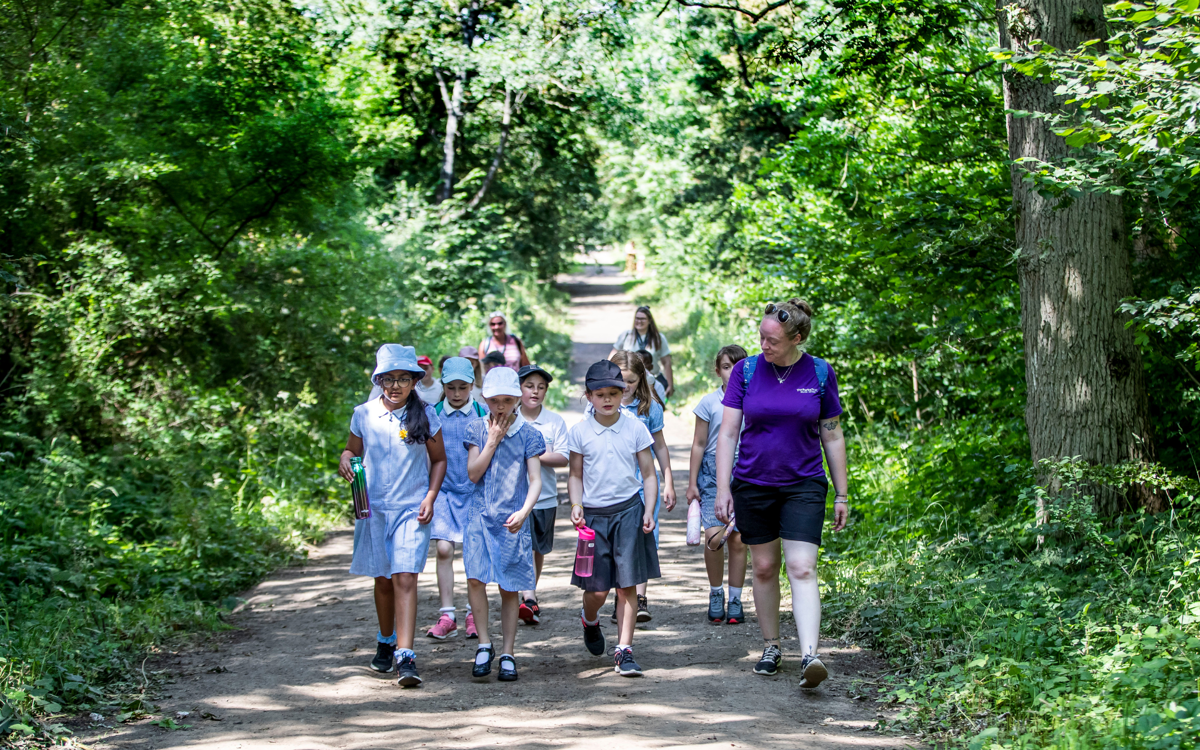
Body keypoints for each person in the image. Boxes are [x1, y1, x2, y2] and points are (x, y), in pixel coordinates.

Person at [715, 299, 849, 689]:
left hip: (804, 483)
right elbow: (727, 433)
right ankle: (772, 645)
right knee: (764, 568)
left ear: (798, 338)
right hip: (753, 483)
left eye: (772, 340)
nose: (763, 345)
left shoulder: (820, 373)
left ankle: (810, 655)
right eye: (760, 336)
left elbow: (832, 433)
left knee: (803, 567)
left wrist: (841, 494)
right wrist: (723, 488)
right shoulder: (746, 370)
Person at [338, 344, 447, 688]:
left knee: (405, 578)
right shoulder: (363, 414)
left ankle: (406, 655)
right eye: (388, 378)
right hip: (373, 510)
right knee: (383, 580)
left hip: (411, 510)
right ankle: (385, 640)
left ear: (415, 381)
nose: (395, 385)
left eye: (403, 378)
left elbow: (440, 460)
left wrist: (431, 496)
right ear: (379, 380)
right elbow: (352, 450)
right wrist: (344, 459)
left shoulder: (426, 414)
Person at [567, 360, 660, 677]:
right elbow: (575, 474)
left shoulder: (635, 427)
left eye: (613, 393)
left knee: (626, 585)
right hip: (593, 519)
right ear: (589, 396)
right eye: (600, 393)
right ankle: (589, 619)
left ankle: (624, 650)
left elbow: (648, 474)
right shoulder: (580, 431)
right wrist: (576, 503)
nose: (607, 399)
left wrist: (648, 509)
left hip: (629, 512)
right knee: (596, 591)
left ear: (623, 393)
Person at [462, 368, 546, 682]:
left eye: (507, 400)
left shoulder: (529, 434)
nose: (500, 406)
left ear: (517, 400)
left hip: (513, 521)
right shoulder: (476, 429)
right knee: (475, 580)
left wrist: (525, 511)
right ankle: (484, 643)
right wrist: (492, 441)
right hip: (479, 518)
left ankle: (508, 651)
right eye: (494, 400)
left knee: (510, 587)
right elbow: (473, 473)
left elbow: (535, 480)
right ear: (484, 398)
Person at [606, 350, 675, 623]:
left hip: (644, 486)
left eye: (631, 381)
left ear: (642, 379)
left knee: (644, 539)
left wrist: (668, 481)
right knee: (616, 543)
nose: (625, 387)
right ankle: (621, 595)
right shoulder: (602, 406)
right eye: (619, 380)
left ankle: (640, 598)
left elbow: (660, 445)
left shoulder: (649, 407)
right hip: (611, 485)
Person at [426, 357, 489, 642]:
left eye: (462, 387)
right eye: (450, 387)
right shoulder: (432, 413)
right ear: (443, 386)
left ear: (472, 386)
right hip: (443, 491)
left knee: (474, 552)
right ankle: (447, 614)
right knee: (443, 549)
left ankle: (473, 613)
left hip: (476, 492)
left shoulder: (483, 413)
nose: (456, 393)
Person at [686, 345, 748, 624]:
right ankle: (715, 592)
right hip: (712, 473)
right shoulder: (709, 403)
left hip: (747, 470)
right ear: (717, 370)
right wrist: (692, 483)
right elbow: (699, 444)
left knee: (738, 539)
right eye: (726, 367)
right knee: (714, 538)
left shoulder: (755, 400)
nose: (732, 372)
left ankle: (735, 598)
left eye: (738, 367)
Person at [515, 364, 569, 624]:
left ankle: (528, 595)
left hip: (546, 497)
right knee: (522, 548)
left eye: (541, 387)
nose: (535, 391)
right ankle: (529, 598)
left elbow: (564, 457)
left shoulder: (554, 421)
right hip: (515, 499)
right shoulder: (509, 418)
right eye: (529, 386)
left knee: (539, 550)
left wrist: (535, 454)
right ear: (519, 389)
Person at [610, 306, 674, 397]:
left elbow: (667, 363)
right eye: (637, 318)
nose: (639, 321)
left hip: (653, 381)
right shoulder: (626, 336)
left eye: (643, 319)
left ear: (650, 320)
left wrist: (670, 385)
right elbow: (612, 358)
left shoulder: (658, 338)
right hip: (630, 382)